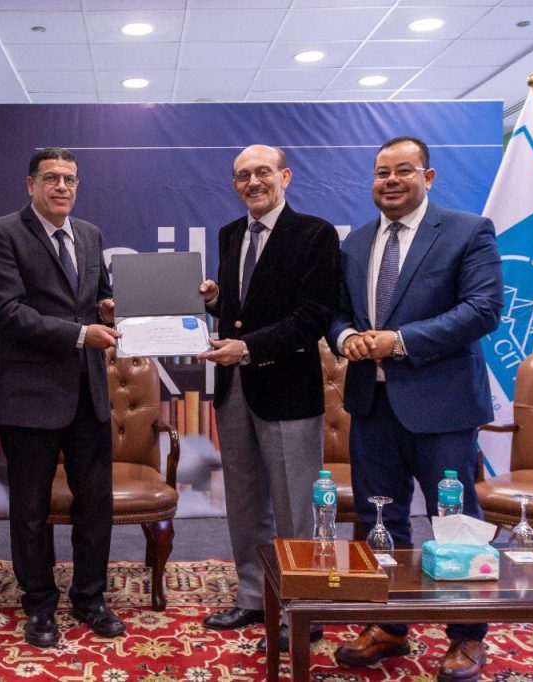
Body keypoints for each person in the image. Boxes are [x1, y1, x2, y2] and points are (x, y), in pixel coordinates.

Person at [327, 136, 503, 682]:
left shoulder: (467, 231)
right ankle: (389, 624)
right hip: (372, 405)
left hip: (443, 407)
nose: (391, 181)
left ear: (428, 177)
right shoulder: (356, 242)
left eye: (404, 170)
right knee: (380, 519)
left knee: (454, 521)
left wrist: (399, 341)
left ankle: (467, 635)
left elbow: (483, 309)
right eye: (382, 172)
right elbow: (335, 313)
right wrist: (348, 337)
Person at [0, 147, 125, 648]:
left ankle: (90, 598)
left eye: (70, 179)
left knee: (95, 505)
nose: (62, 187)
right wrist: (82, 334)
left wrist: (105, 310)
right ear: (31, 184)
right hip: (29, 396)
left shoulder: (90, 234)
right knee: (31, 510)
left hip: (88, 393)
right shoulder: (1, 233)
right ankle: (39, 603)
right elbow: (9, 313)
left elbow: (96, 297)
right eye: (52, 178)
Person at [198, 144, 339, 649]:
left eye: (262, 172)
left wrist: (249, 348)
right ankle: (254, 596)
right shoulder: (230, 233)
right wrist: (217, 301)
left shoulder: (315, 234)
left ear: (285, 176)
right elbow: (241, 312)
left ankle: (305, 607)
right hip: (234, 388)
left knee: (296, 508)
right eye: (243, 175)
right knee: (243, 501)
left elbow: (314, 315)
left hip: (287, 390)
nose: (253, 182)